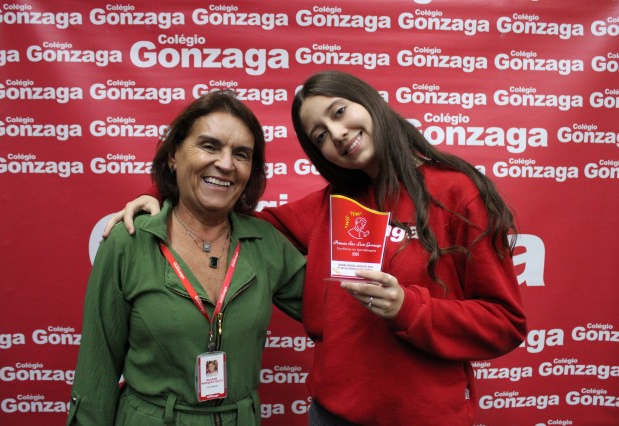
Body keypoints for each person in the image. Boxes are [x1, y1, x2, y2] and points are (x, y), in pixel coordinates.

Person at [104, 71, 527, 425]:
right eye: (320, 135)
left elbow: (505, 322)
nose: (338, 135)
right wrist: (160, 195)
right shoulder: (327, 206)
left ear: (368, 102)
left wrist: (409, 307)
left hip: (426, 417)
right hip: (331, 416)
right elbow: (221, 210)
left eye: (339, 112)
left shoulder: (455, 193)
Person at [68, 91, 306, 426]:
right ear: (173, 155)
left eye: (241, 154)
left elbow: (336, 311)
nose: (226, 164)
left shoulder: (267, 243)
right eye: (209, 146)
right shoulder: (129, 241)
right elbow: (97, 369)